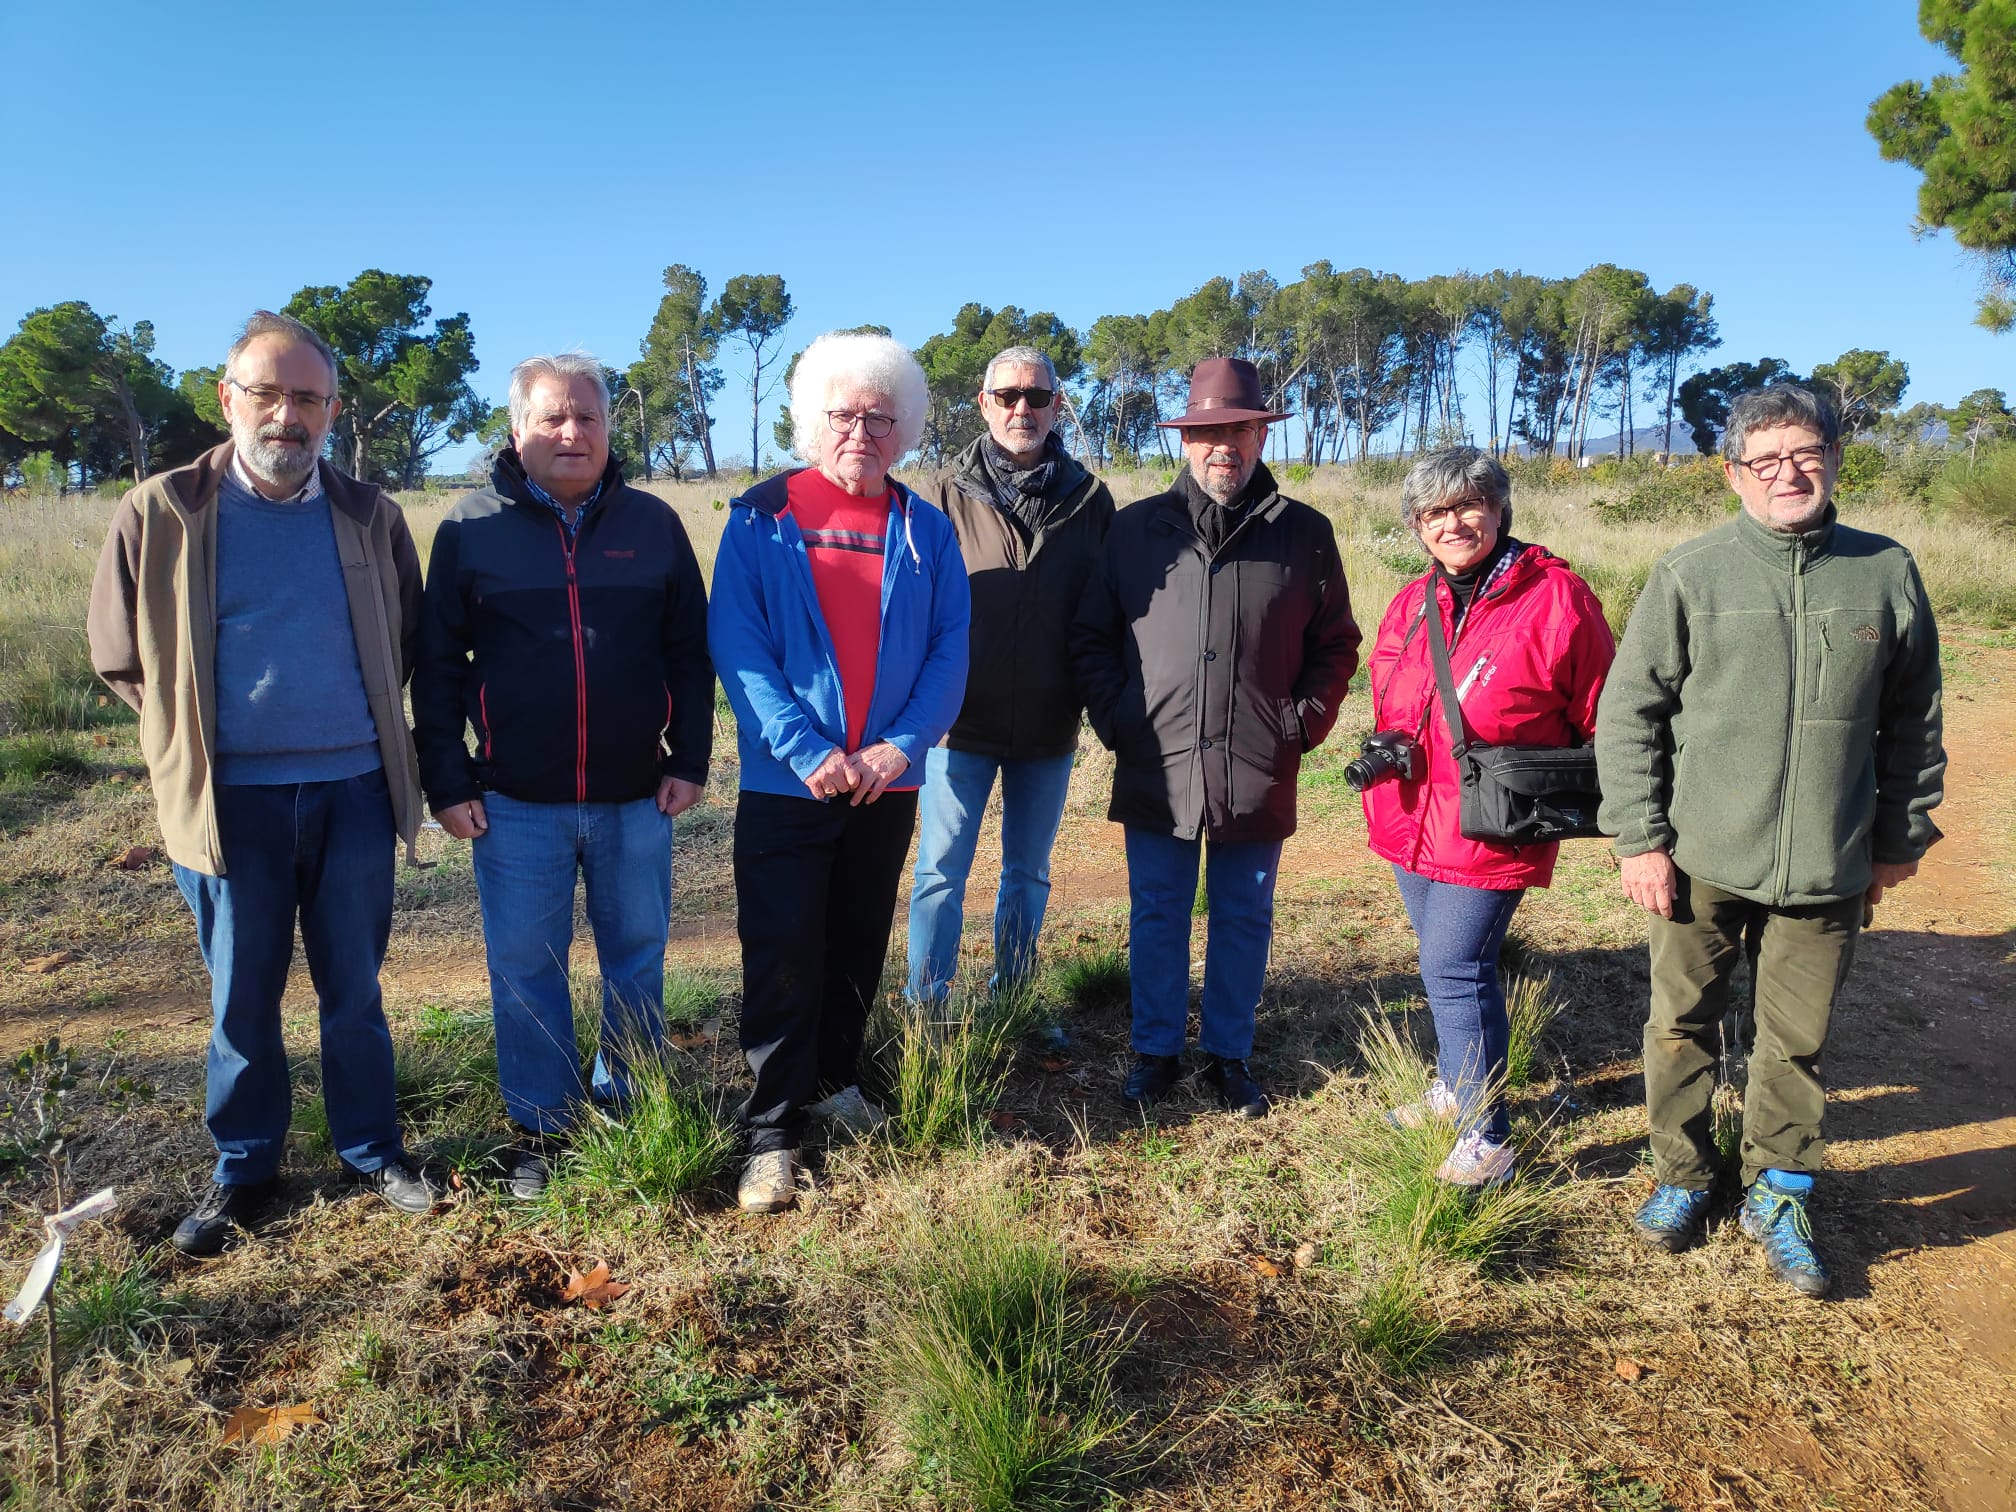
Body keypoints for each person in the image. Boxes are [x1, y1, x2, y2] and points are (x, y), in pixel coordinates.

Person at [86, 310, 436, 1255]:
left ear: (331, 411)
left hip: (355, 791)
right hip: (227, 804)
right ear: (227, 399)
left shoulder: (373, 515)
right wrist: (202, 743)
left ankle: (373, 1149)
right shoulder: (161, 511)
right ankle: (245, 1167)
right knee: (242, 998)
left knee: (354, 989)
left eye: (309, 399)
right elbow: (122, 657)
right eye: (269, 394)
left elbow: (406, 642)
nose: (289, 416)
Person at [1597, 383, 1944, 1298]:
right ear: (1734, 475)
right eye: (1767, 460)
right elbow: (1627, 715)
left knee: (1797, 1039)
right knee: (1680, 1026)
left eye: (1807, 454)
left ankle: (1779, 1191)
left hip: (1830, 859)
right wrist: (1641, 839)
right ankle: (1682, 1176)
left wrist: (1900, 834)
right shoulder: (1691, 573)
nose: (1789, 473)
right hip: (1702, 857)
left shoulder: (1884, 571)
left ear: (1833, 460)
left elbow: (1914, 719)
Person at [412, 353, 713, 1199]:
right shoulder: (470, 528)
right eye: (553, 417)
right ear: (518, 429)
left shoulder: (653, 525)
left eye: (588, 416)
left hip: (634, 796)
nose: (573, 431)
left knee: (637, 955)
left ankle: (628, 1104)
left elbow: (689, 653)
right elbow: (435, 666)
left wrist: (689, 757)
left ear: (609, 428)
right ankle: (542, 1125)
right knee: (525, 964)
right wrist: (449, 780)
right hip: (514, 802)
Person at [709, 331, 970, 1213]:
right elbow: (738, 647)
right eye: (844, 415)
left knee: (856, 939)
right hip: (793, 784)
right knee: (783, 952)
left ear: (905, 431)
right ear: (811, 421)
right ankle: (772, 1131)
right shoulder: (758, 519)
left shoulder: (925, 529)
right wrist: (809, 750)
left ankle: (835, 1080)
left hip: (886, 783)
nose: (861, 431)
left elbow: (948, 650)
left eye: (880, 418)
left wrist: (902, 748)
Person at [1072, 357, 1360, 1118]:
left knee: (1243, 913)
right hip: (1155, 760)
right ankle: (1156, 1051)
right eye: (1207, 432)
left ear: (1261, 434)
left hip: (1258, 762)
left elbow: (1337, 645)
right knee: (1158, 909)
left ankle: (1229, 1054)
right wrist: (1120, 717)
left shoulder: (1305, 534)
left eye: (1238, 428)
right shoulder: (1135, 530)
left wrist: (1300, 723)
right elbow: (1090, 638)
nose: (1222, 446)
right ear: (1185, 440)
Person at [1360, 447, 1615, 1185]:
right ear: (1415, 525)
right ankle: (1454, 1085)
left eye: (1470, 504)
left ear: (1500, 509)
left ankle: (1489, 1136)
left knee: (1453, 964)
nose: (1454, 523)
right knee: (1449, 967)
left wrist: (1623, 809)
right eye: (1435, 512)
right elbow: (1391, 692)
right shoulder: (1413, 602)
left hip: (1496, 819)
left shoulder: (1558, 597)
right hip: (1413, 816)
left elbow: (1604, 709)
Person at [904, 345, 1115, 1009]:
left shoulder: (1090, 499)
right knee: (940, 871)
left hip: (1049, 725)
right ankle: (927, 1006)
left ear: (1056, 405)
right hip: (954, 725)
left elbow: (1105, 609)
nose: (1022, 408)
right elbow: (906, 610)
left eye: (1036, 396)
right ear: (983, 404)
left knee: (1028, 872)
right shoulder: (937, 495)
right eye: (1007, 396)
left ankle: (1015, 999)